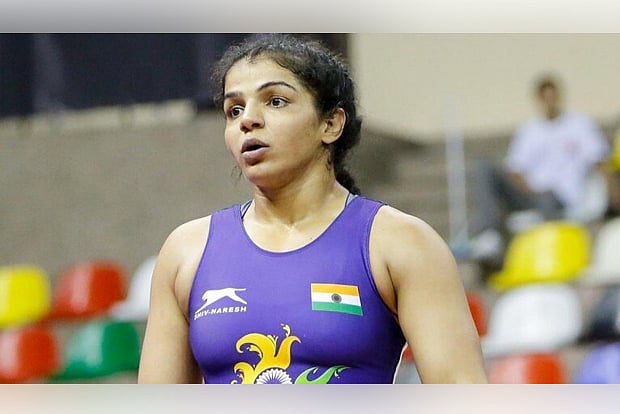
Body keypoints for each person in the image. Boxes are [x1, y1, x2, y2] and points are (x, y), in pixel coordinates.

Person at [138, 34, 487, 384]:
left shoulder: (402, 243)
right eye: (235, 110)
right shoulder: (186, 252)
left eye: (275, 101)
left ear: (331, 123)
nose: (248, 120)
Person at [469, 74, 619, 261]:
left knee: (547, 197)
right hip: (532, 194)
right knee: (484, 167)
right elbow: (515, 169)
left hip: (562, 197)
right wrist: (529, 190)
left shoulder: (579, 124)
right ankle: (488, 233)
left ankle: (550, 255)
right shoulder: (529, 130)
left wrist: (612, 193)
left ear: (558, 96)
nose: (550, 102)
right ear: (538, 100)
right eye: (545, 98)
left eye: (552, 97)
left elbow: (600, 160)